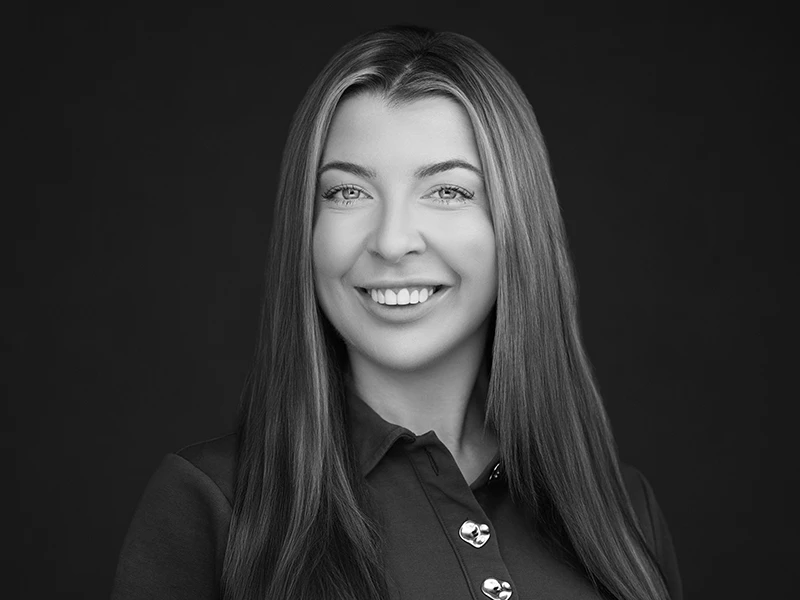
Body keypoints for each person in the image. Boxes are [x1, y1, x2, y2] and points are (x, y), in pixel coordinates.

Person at [111, 25, 682, 600]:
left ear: (518, 224)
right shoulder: (211, 503)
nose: (391, 241)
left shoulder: (621, 510)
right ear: (303, 230)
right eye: (347, 193)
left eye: (449, 191)